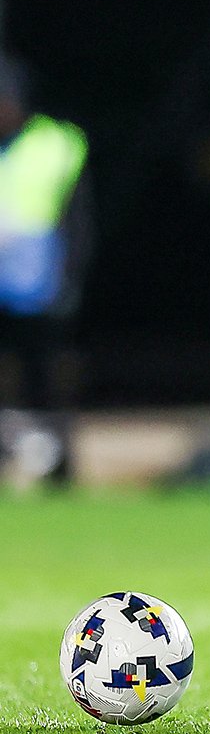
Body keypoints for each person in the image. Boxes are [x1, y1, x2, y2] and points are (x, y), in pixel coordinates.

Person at [0, 56, 89, 486]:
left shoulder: (58, 143)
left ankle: (58, 462)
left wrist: (70, 279)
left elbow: (79, 223)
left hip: (39, 285)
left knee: (48, 375)